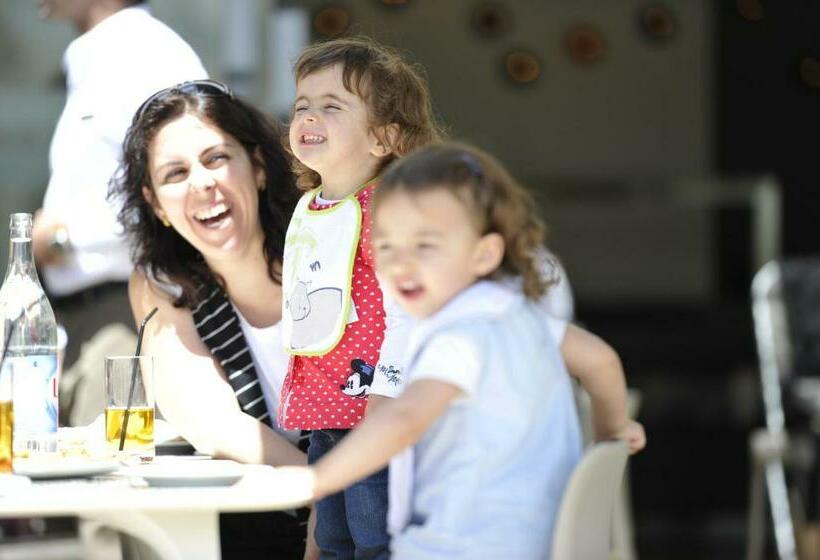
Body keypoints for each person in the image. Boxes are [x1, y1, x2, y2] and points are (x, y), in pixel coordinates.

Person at [278, 142, 646, 559]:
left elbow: (406, 416)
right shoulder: (517, 315)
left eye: (426, 246)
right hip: (538, 541)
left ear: (484, 253)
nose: (402, 264)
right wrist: (611, 431)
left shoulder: (458, 335)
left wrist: (317, 480)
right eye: (386, 246)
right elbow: (600, 360)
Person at [111, 80, 314, 559]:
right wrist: (319, 486)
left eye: (217, 158)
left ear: (258, 167)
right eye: (175, 173)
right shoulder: (162, 281)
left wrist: (340, 492)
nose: (202, 182)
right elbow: (208, 419)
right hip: (278, 509)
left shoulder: (326, 245)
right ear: (156, 204)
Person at [280, 36, 442, 559]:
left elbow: (408, 307)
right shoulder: (314, 209)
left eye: (332, 106)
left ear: (385, 138)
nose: (309, 115)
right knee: (333, 542)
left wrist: (388, 391)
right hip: (328, 417)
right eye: (302, 104)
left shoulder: (386, 209)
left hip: (377, 414)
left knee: (378, 542)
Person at [32, 0, 207, 425]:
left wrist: (63, 238)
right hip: (87, 320)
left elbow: (188, 186)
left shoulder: (148, 52)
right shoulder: (105, 53)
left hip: (128, 317)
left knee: (111, 482)